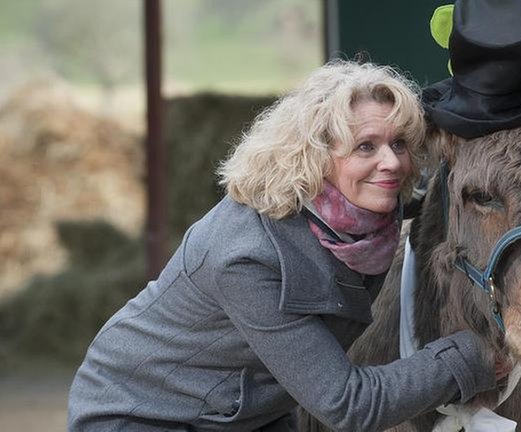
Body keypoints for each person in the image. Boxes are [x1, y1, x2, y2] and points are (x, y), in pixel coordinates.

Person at [67, 61, 498, 432]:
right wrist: (472, 356)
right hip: (142, 413)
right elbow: (349, 404)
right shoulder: (245, 256)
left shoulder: (364, 212)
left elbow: (455, 199)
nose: (391, 162)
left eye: (399, 143)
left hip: (241, 408)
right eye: (366, 145)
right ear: (314, 155)